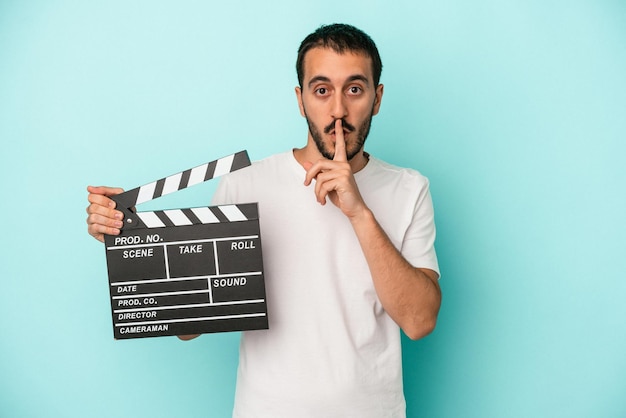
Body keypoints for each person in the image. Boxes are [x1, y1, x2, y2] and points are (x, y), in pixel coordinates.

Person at [87, 23, 441, 418]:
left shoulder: (410, 189)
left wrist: (359, 212)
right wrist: (130, 244)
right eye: (321, 90)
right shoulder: (246, 185)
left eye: (354, 89)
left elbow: (419, 320)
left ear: (376, 98)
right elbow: (190, 326)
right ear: (301, 99)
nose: (338, 110)